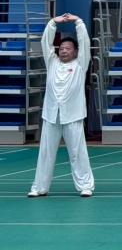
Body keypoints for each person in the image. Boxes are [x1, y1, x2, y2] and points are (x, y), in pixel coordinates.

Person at [28, 13, 94, 198]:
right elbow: (45, 43)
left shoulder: (81, 64)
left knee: (77, 153)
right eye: (61, 48)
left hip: (73, 115)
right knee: (45, 153)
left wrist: (78, 22)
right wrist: (52, 24)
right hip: (51, 116)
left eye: (68, 48)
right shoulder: (52, 63)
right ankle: (39, 188)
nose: (64, 51)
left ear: (76, 51)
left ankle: (86, 186)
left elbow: (85, 43)